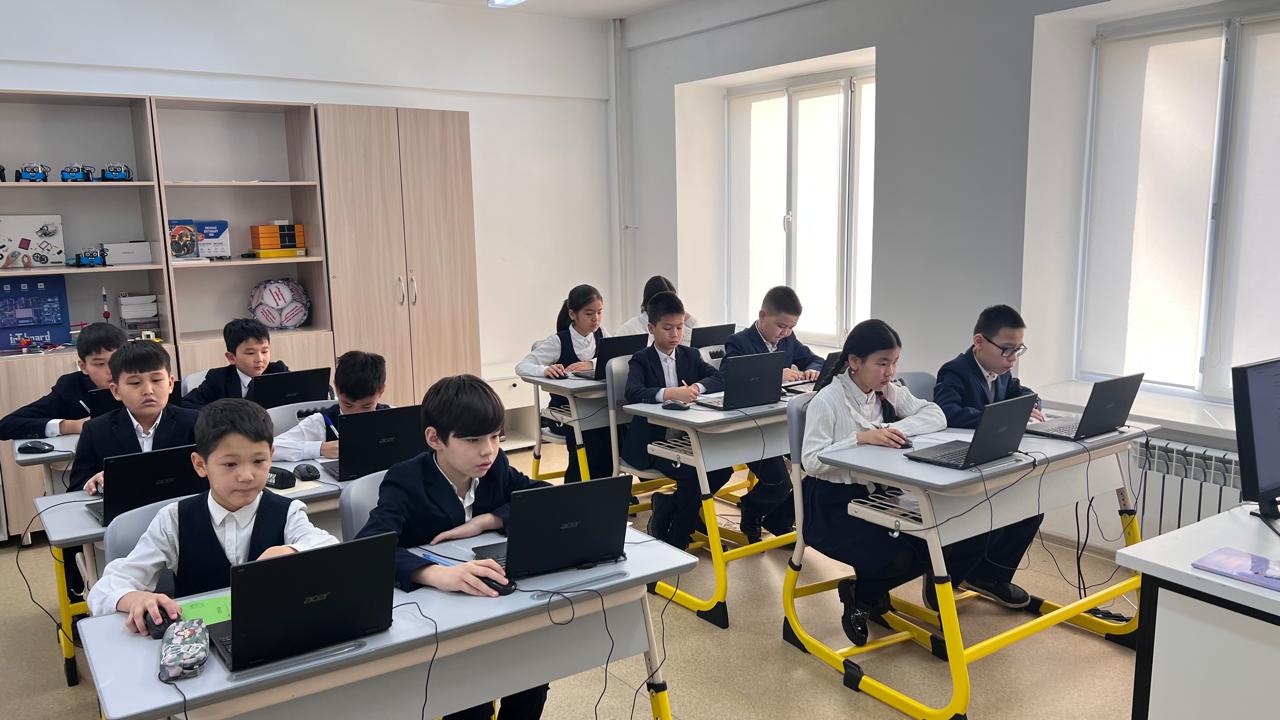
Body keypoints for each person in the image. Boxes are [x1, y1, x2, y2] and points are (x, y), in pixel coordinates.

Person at [802, 319, 1027, 646]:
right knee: (901, 555)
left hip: (878, 494)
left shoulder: (887, 390)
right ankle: (862, 595)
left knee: (940, 541)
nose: (890, 372)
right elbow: (811, 460)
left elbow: (936, 415)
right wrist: (860, 439)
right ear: (854, 362)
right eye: (882, 363)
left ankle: (868, 592)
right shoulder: (828, 400)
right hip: (832, 504)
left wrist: (892, 430)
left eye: (895, 362)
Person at [357, 374, 551, 719]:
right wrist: (437, 574)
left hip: (494, 609)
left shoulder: (495, 466)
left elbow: (541, 496)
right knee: (469, 700)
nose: (488, 449)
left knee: (534, 674)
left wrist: (488, 520)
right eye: (473, 439)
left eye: (495, 436)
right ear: (435, 439)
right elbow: (370, 547)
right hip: (437, 624)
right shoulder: (406, 480)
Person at [87, 399, 337, 634]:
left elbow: (330, 548)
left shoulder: (288, 511)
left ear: (272, 456)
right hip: (199, 643)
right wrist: (135, 598)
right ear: (200, 465)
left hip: (273, 632)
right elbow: (105, 588)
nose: (247, 476)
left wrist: (290, 551)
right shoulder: (174, 520)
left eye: (259, 461)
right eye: (230, 464)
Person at [622, 291, 729, 550]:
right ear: (651, 328)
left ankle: (669, 508)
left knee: (721, 468)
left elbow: (719, 378)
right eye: (667, 328)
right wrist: (670, 393)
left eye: (680, 327)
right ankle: (678, 539)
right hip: (651, 444)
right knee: (694, 473)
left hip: (683, 438)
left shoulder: (690, 355)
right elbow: (633, 392)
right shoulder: (641, 359)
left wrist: (696, 388)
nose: (675, 334)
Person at [68, 341, 198, 494]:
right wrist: (91, 482)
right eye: (135, 383)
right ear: (116, 391)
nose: (148, 390)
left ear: (170, 384)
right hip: (122, 506)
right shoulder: (95, 430)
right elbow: (76, 486)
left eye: (156, 380)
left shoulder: (193, 422)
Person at [514, 284, 612, 482]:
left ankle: (608, 486)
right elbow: (522, 366)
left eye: (600, 312)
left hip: (595, 408)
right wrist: (544, 370)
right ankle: (579, 487)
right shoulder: (558, 341)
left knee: (616, 432)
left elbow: (617, 357)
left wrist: (591, 363)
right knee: (589, 435)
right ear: (572, 314)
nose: (596, 319)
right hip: (562, 414)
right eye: (589, 314)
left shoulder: (601, 334)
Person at [0, 322, 126, 440]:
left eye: (116, 361)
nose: (110, 370)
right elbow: (7, 425)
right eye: (99, 364)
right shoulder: (71, 387)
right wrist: (73, 426)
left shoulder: (137, 384)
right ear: (83, 366)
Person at [273, 351, 389, 461]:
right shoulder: (321, 422)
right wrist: (320, 448)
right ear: (336, 389)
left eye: (366, 406)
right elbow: (269, 448)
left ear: (381, 391)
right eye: (348, 405)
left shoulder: (392, 417)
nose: (356, 414)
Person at [182, 318, 289, 409]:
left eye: (264, 351)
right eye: (250, 353)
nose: (260, 359)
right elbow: (188, 404)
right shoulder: (218, 379)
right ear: (231, 357)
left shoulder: (279, 372)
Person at [615, 275, 698, 344]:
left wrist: (681, 312)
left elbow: (697, 336)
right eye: (667, 328)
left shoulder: (673, 324)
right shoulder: (630, 330)